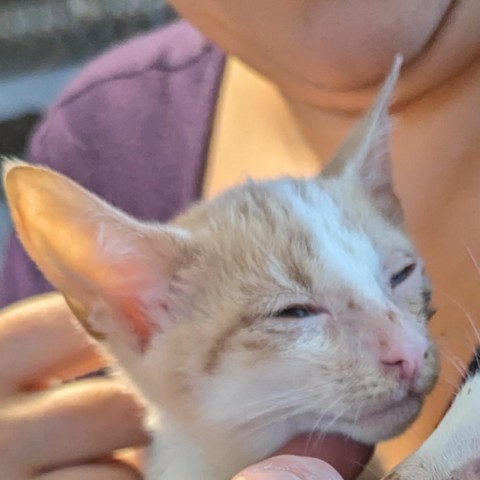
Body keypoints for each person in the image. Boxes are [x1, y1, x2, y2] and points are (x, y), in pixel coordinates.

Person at [1, 1, 480, 478]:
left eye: (400, 274)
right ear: (139, 314)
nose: (408, 349)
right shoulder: (99, 137)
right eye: (295, 312)